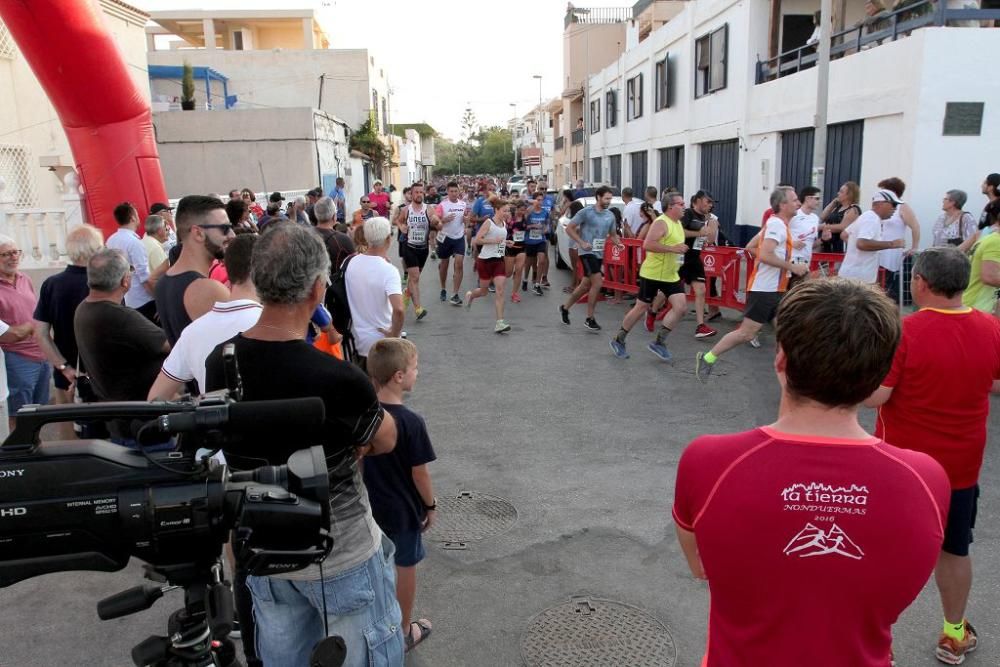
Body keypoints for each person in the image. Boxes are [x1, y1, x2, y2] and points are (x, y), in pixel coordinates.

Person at [676, 277, 950, 667]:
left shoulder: (707, 460)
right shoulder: (926, 479)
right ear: (881, 370)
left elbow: (702, 566)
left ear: (781, 358)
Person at [202, 223, 402, 667]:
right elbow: (385, 437)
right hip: (340, 550)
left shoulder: (221, 362)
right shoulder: (336, 376)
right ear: (316, 289)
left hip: (264, 546)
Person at [865, 247, 1000, 665]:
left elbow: (877, 397)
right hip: (960, 469)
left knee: (881, 549)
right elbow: (995, 383)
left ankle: (871, 635)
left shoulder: (905, 331)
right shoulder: (992, 328)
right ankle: (954, 634)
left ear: (920, 282)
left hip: (901, 467)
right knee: (955, 550)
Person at [363, 338, 437, 653]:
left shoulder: (366, 417)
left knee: (374, 567)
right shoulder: (410, 422)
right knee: (405, 565)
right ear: (398, 376)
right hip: (404, 509)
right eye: (414, 368)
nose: (417, 373)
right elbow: (419, 473)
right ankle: (404, 630)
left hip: (370, 507)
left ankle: (374, 626)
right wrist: (430, 505)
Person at [695, 188, 809, 380]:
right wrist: (792, 266)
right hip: (765, 291)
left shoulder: (776, 224)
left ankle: (791, 378)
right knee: (747, 334)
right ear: (782, 205)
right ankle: (707, 357)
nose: (799, 203)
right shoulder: (777, 226)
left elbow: (750, 247)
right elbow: (764, 254)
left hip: (775, 290)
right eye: (795, 200)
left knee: (786, 333)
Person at [147, 235, 260, 399]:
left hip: (216, 420)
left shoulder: (192, 332)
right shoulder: (274, 325)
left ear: (226, 267)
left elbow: (156, 399)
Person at [75, 249, 169, 405]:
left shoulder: (83, 307)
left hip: (113, 404)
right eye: (130, 272)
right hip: (136, 410)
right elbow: (170, 344)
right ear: (125, 281)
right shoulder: (119, 316)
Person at [33, 224, 103, 423]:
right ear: (96, 249)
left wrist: (64, 368)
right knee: (104, 446)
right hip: (101, 378)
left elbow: (41, 334)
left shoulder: (51, 284)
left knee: (68, 441)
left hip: (65, 376)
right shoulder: (105, 283)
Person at [610, 192, 689, 360]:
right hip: (653, 273)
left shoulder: (678, 223)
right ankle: (619, 340)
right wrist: (673, 249)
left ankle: (659, 343)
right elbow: (648, 244)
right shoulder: (661, 222)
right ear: (670, 207)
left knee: (681, 307)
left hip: (670, 274)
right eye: (681, 204)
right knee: (640, 308)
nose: (684, 207)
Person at [154, 195, 233, 346]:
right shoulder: (208, 289)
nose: (231, 234)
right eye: (224, 228)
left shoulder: (163, 283)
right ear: (198, 233)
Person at [558, 186, 622, 332]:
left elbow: (612, 234)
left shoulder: (609, 216)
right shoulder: (586, 212)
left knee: (584, 286)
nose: (608, 201)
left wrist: (619, 244)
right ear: (598, 197)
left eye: (610, 198)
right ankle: (590, 318)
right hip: (586, 252)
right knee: (598, 283)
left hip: (598, 253)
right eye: (606, 198)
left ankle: (565, 308)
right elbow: (569, 228)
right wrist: (581, 242)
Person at [0, 235, 48, 429]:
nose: (13, 257)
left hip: (41, 354)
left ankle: (36, 452)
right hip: (16, 359)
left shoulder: (25, 279)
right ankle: (18, 456)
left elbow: (36, 313)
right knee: (19, 415)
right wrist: (33, 326)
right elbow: (9, 335)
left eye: (16, 252)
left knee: (40, 412)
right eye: (6, 254)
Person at [345, 217, 404, 371]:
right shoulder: (388, 270)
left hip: (358, 340)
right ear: (388, 239)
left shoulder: (351, 263)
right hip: (382, 342)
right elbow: (398, 309)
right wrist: (394, 335)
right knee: (386, 391)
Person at [393, 183, 441, 321]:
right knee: (414, 277)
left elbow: (438, 224)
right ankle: (418, 309)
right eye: (416, 192)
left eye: (421, 192)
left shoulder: (429, 209)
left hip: (423, 249)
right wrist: (402, 227)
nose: (419, 194)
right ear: (412, 194)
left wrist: (437, 223)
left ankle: (405, 297)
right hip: (409, 247)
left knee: (415, 278)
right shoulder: (407, 210)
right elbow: (398, 221)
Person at [465, 196, 513, 334]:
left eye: (508, 211)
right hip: (485, 261)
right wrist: (494, 241)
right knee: (484, 291)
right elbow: (477, 241)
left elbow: (500, 240)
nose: (507, 213)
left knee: (500, 290)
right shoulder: (488, 223)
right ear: (496, 210)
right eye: (504, 211)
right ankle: (471, 295)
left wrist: (506, 242)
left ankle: (499, 322)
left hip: (498, 260)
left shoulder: (504, 225)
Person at [107, 201, 161, 323]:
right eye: (136, 215)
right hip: (143, 300)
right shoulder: (135, 243)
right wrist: (159, 302)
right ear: (132, 218)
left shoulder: (111, 240)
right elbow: (145, 278)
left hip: (124, 298)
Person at [839, 190, 906, 285]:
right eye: (894, 205)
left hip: (852, 276)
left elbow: (844, 234)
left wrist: (854, 249)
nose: (895, 209)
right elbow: (861, 243)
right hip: (858, 280)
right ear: (880, 204)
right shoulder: (872, 219)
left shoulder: (867, 216)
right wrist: (892, 244)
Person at [680, 190, 721, 339]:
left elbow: (710, 240)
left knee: (701, 290)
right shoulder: (688, 213)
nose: (710, 205)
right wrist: (699, 233)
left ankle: (700, 326)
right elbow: (681, 232)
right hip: (679, 257)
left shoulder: (707, 218)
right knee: (664, 292)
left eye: (711, 203)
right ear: (697, 201)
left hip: (694, 258)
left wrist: (712, 224)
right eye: (707, 201)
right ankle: (652, 311)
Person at [875, 177, 921, 300]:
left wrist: (914, 247)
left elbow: (915, 226)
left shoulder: (902, 207)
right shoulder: (882, 208)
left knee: (885, 287)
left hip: (890, 253)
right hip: (878, 250)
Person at [962, 198, 1000, 313]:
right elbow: (989, 277)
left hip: (976, 305)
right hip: (977, 307)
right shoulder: (996, 241)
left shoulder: (990, 238)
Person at [436, 181, 468, 306]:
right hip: (445, 238)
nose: (454, 193)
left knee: (459, 264)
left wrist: (466, 221)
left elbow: (466, 219)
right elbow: (436, 221)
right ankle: (443, 288)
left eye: (456, 191)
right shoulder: (442, 205)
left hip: (459, 237)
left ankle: (455, 294)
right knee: (444, 264)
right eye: (451, 191)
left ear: (459, 192)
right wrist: (444, 219)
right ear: (448, 192)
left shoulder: (463, 204)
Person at [818, 181, 861, 253]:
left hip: (839, 245)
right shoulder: (838, 207)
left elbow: (843, 227)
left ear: (849, 195)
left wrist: (824, 227)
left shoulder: (853, 209)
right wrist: (833, 203)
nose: (838, 193)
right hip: (827, 243)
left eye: (841, 192)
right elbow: (822, 217)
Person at [524, 191, 551, 296]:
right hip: (530, 240)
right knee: (529, 263)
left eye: (541, 200)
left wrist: (545, 229)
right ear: (534, 200)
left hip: (541, 240)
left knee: (542, 260)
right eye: (538, 200)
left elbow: (547, 225)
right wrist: (532, 226)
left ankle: (537, 284)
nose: (540, 202)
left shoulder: (545, 212)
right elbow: (524, 225)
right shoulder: (529, 212)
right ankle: (525, 279)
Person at [560, 189, 585, 293]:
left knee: (576, 267)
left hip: (575, 245)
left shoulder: (577, 220)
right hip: (574, 245)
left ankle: (576, 286)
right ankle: (574, 285)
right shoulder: (580, 219)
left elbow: (577, 231)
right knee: (575, 267)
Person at [505, 200, 529, 303]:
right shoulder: (510, 218)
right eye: (521, 210)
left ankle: (514, 294)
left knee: (519, 271)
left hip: (521, 248)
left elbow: (535, 203)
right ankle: (494, 278)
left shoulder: (526, 217)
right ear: (517, 209)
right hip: (510, 248)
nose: (523, 212)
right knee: (508, 273)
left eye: (524, 210)